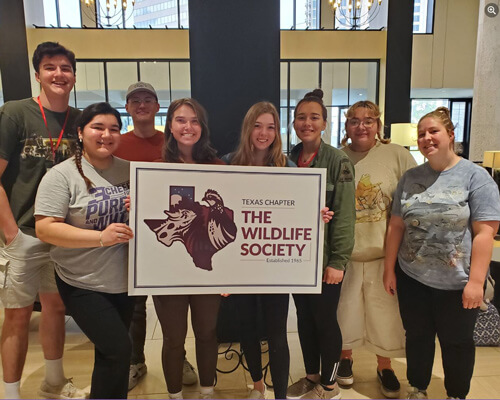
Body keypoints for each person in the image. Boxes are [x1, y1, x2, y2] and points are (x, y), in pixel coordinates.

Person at [383, 107, 500, 400]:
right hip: (412, 277)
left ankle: (456, 395)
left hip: (457, 282)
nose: (426, 138)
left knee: (457, 342)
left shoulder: (476, 177)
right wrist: (389, 269)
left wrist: (476, 282)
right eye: (421, 134)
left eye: (433, 131)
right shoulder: (410, 177)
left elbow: (485, 233)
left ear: (450, 135)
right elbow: (396, 226)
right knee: (417, 337)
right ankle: (417, 388)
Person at [0, 41, 86, 399]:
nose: (58, 74)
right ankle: (10, 393)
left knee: (56, 308)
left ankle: (53, 382)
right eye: (50, 67)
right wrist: (10, 234)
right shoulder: (15, 113)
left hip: (62, 235)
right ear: (38, 74)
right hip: (23, 232)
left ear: (74, 76)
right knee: (18, 315)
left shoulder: (80, 121)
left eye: (65, 68)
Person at [35, 102, 135, 399]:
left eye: (114, 129)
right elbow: (45, 228)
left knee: (109, 355)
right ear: (80, 132)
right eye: (98, 127)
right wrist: (100, 237)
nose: (106, 135)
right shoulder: (61, 175)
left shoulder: (131, 170)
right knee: (120, 349)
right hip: (82, 281)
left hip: (125, 280)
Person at [113, 82, 198, 391]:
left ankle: (179, 356)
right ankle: (135, 361)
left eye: (148, 99)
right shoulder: (117, 143)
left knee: (172, 307)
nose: (142, 104)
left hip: (168, 238)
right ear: (127, 107)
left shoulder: (171, 142)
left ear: (158, 107)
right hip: (129, 236)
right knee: (135, 306)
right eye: (135, 100)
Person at [336, 101, 416, 398]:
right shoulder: (337, 157)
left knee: (385, 316)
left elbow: (414, 197)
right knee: (345, 312)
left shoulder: (397, 155)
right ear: (346, 126)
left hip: (385, 252)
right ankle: (345, 358)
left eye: (368, 120)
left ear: (378, 125)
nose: (362, 126)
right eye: (355, 121)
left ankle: (385, 365)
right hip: (346, 253)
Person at [222, 102, 295, 399]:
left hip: (275, 263)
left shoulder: (287, 167)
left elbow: (298, 210)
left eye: (271, 127)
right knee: (247, 327)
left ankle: (280, 395)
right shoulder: (228, 163)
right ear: (247, 128)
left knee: (277, 332)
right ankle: (257, 386)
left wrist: (317, 214)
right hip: (240, 262)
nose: (264, 133)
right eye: (258, 126)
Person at [153, 98, 225, 400]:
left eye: (195, 121)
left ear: (202, 128)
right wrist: (136, 204)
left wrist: (232, 272)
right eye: (181, 120)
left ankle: (207, 392)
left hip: (205, 266)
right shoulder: (154, 171)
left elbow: (229, 218)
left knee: (207, 333)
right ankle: (174, 395)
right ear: (170, 126)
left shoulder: (219, 168)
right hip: (167, 269)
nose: (188, 127)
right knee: (173, 338)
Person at [286, 89, 356, 400]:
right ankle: (312, 375)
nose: (307, 123)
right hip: (295, 257)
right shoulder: (287, 158)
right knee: (304, 318)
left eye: (314, 117)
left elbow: (345, 216)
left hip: (325, 259)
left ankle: (329, 385)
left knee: (325, 320)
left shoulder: (339, 161)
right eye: (301, 117)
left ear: (325, 123)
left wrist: (338, 262)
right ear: (293, 123)